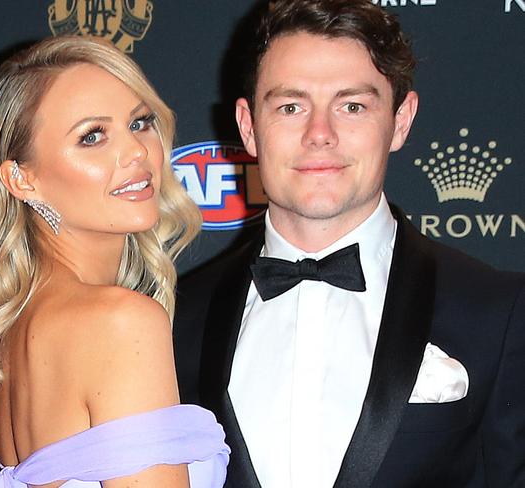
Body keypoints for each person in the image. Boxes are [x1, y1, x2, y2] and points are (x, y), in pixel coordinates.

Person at [173, 1, 525, 487]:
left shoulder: (498, 311)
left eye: (352, 106)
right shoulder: (175, 318)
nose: (320, 134)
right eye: (291, 106)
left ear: (401, 120)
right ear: (249, 126)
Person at [0, 35, 229, 488]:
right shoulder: (119, 321)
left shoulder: (10, 334)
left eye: (140, 123)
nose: (137, 152)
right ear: (22, 180)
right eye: (93, 136)